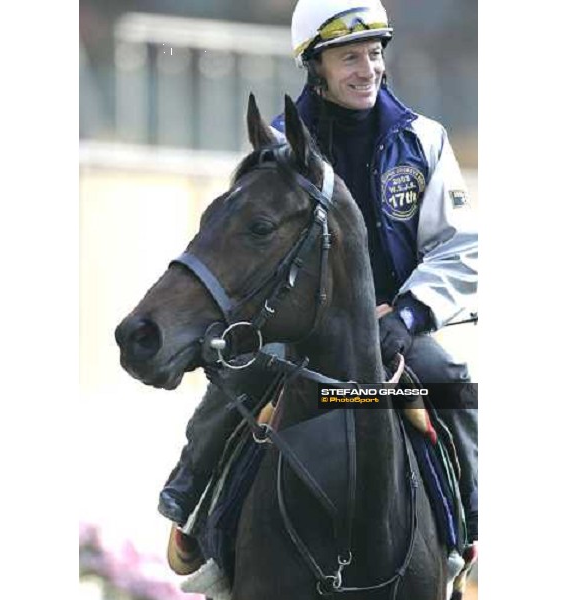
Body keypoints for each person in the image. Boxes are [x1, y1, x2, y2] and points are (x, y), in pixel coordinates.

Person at [161, 0, 478, 573]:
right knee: (233, 387)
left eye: (375, 54)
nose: (368, 69)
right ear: (317, 67)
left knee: (453, 385)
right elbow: (248, 242)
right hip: (299, 327)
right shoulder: (277, 145)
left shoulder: (425, 139)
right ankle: (189, 505)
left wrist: (407, 317)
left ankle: (468, 528)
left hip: (395, 330)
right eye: (350, 57)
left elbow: (460, 247)